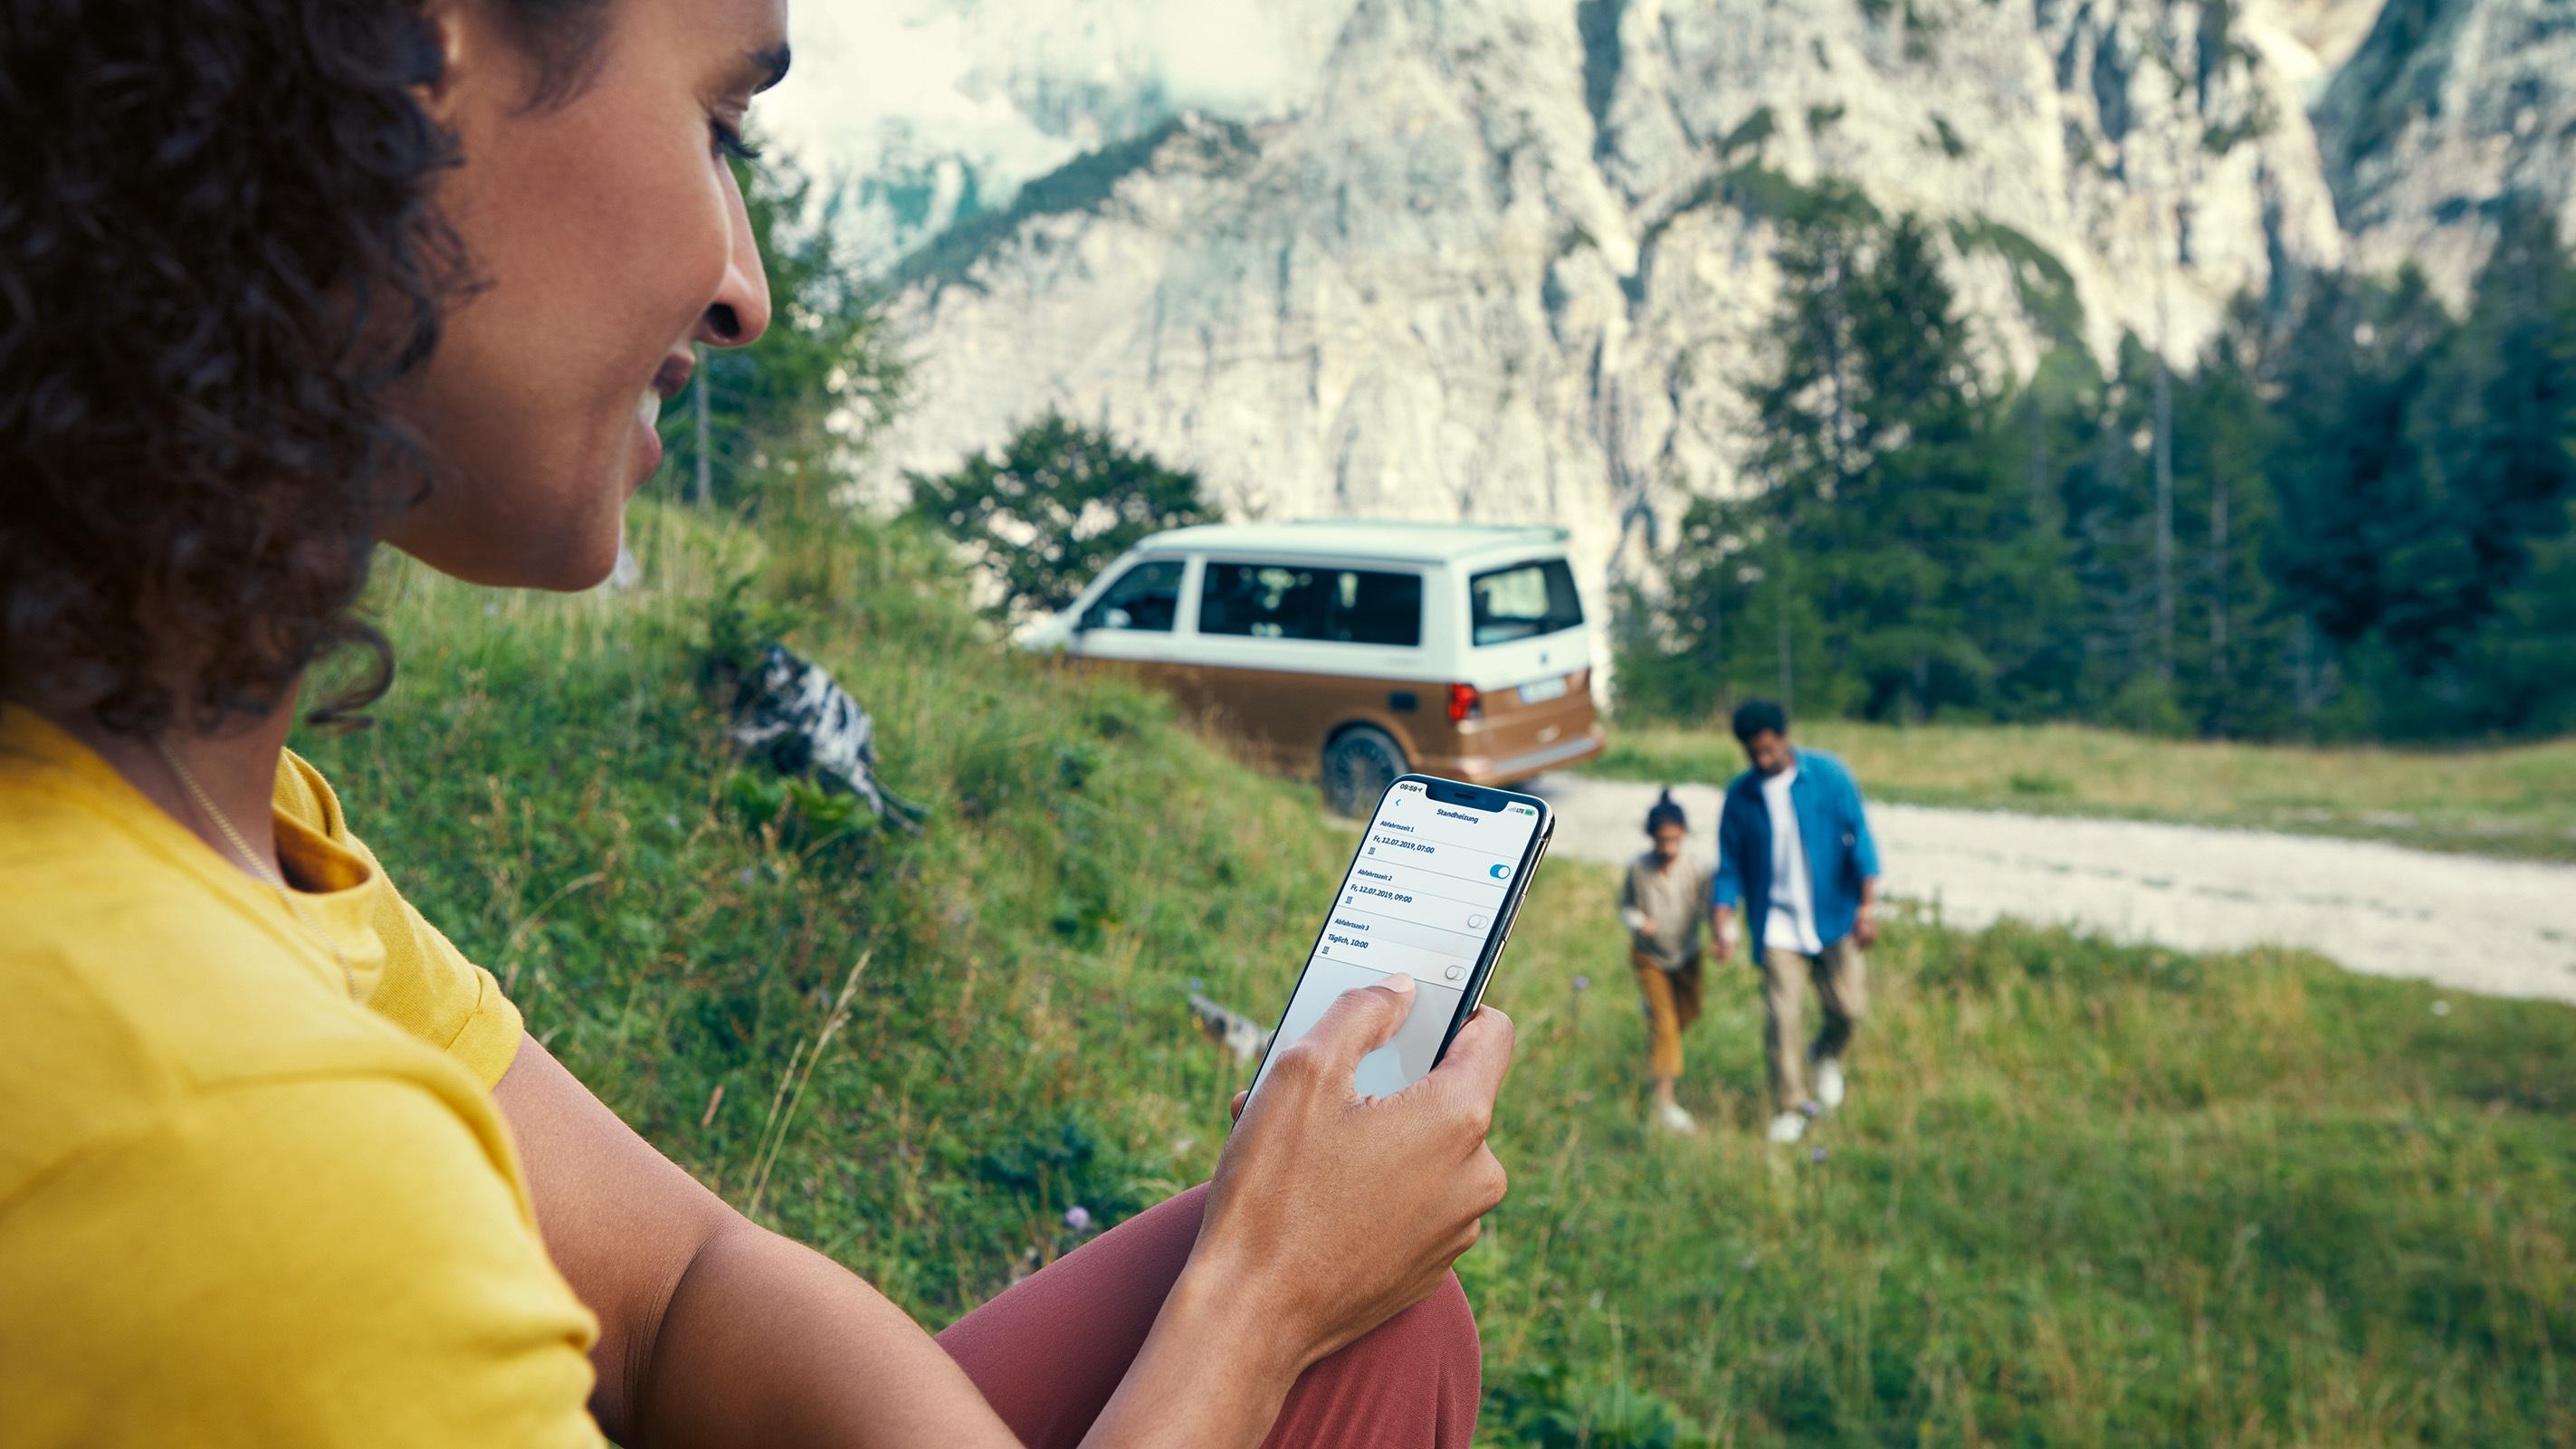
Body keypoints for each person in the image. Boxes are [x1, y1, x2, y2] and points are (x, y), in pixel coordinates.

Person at [0, 3, 1515, 1445]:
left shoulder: (223, 838)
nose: (746, 289)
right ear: (410, 58)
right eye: (718, 119)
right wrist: (1256, 1307)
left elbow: (677, 1290)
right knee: (1318, 1309)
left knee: (1382, 1318)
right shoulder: (231, 1148)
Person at [1708, 701, 1882, 1145]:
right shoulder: (1740, 796)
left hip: (1834, 918)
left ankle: (1825, 1055)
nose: (1763, 761)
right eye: (1754, 754)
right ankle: (1790, 1107)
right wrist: (1722, 922)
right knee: (1782, 1020)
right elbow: (1729, 866)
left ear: (1784, 737)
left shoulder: (1829, 776)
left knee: (1850, 1009)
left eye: (1769, 749)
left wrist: (1866, 907)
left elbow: (1860, 838)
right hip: (1777, 928)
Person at [1617, 788, 1715, 1134]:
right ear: (1652, 838)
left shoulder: (1698, 868)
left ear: (1684, 836)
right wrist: (1638, 922)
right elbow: (1625, 906)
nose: (1669, 848)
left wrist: (1721, 933)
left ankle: (1660, 1031)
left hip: (1686, 955)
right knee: (1667, 1027)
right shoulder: (1638, 868)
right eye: (1662, 841)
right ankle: (1665, 1101)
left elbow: (1710, 908)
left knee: (1689, 1012)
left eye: (1675, 840)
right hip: (1650, 957)